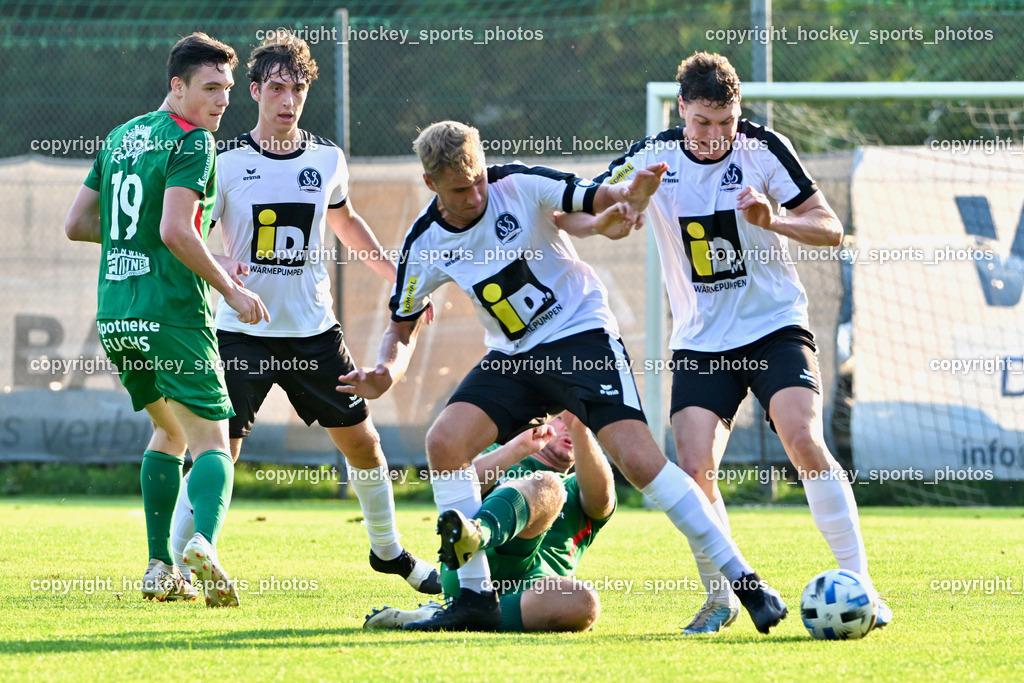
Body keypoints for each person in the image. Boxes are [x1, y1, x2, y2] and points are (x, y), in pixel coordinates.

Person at [337, 120, 788, 632]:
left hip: (580, 339)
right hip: (515, 358)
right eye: (461, 189)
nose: (477, 193)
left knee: (641, 461)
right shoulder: (426, 241)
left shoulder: (519, 183)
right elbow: (401, 326)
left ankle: (746, 584)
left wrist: (629, 195)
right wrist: (385, 373)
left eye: (480, 178)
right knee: (445, 441)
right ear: (431, 184)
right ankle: (474, 598)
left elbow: (592, 197)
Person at [561, 50, 891, 634]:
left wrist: (775, 220)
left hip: (774, 327)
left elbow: (831, 228)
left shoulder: (763, 148)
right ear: (682, 109)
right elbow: (582, 216)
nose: (715, 136)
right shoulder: (653, 158)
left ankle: (860, 584)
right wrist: (624, 206)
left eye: (726, 123)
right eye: (703, 123)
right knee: (692, 468)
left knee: (804, 439)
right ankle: (721, 598)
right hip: (701, 342)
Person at [168, 31, 440, 595]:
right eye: (275, 88)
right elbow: (188, 232)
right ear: (254, 91)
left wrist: (398, 280)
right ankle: (179, 566)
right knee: (218, 451)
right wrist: (220, 261)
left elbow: (344, 223)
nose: (286, 101)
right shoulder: (225, 160)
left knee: (364, 445)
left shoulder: (326, 159)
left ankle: (387, 552)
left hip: (314, 334)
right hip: (241, 330)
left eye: (296, 89)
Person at [64, 32, 269, 607]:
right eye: (210, 88)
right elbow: (176, 230)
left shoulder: (122, 136)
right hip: (172, 315)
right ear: (176, 88)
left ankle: (158, 568)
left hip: (118, 315)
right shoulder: (193, 142)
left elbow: (79, 224)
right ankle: (201, 542)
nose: (223, 101)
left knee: (169, 431)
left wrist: (153, 238)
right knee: (212, 441)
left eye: (228, 90)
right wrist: (228, 285)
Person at [364, 413, 614, 632]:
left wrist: (579, 427)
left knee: (585, 602)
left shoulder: (585, 484)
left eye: (581, 423)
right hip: (476, 569)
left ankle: (449, 616)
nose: (569, 427)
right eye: (561, 419)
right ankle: (478, 534)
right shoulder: (504, 455)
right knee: (549, 485)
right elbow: (455, 487)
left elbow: (602, 501)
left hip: (533, 595)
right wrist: (516, 449)